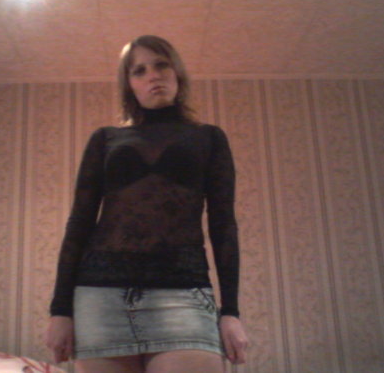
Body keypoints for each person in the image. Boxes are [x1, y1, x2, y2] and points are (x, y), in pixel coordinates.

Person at [46, 35, 248, 372]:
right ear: (129, 85)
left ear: (177, 73)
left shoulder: (209, 138)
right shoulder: (105, 139)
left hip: (183, 294)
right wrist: (60, 310)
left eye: (161, 65)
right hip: (99, 297)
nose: (153, 75)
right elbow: (79, 223)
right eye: (139, 70)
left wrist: (230, 312)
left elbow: (223, 224)